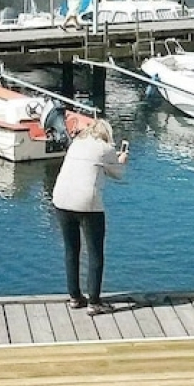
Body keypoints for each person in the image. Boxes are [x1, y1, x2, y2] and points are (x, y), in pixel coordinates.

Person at [52, 118, 128, 315]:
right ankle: (94, 302)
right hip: (87, 204)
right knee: (95, 252)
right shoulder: (106, 148)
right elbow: (118, 174)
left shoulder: (75, 145)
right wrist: (121, 160)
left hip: (61, 199)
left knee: (71, 250)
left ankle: (75, 297)